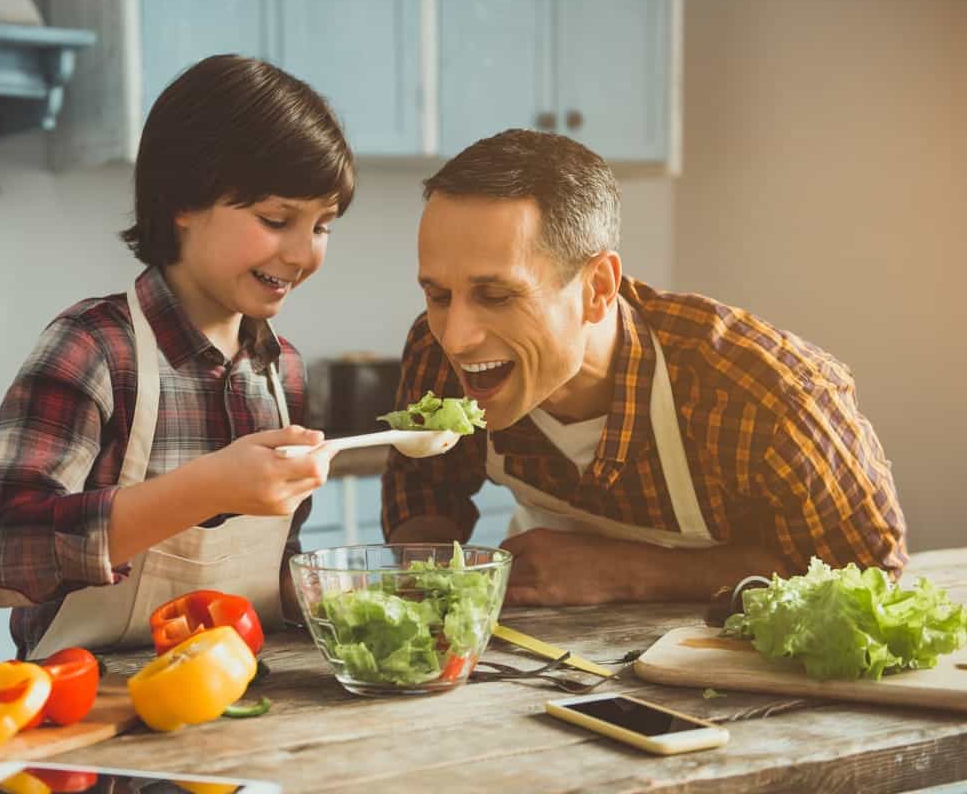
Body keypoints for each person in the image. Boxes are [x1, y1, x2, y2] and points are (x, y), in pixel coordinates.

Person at [382, 129, 906, 606]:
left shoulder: (772, 397)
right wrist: (425, 581)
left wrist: (631, 572)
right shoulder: (435, 354)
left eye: (495, 295)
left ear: (597, 289)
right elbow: (424, 489)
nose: (455, 336)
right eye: (438, 295)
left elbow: (868, 582)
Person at [0, 54, 355, 659]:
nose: (304, 253)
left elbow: (266, 574)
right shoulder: (93, 347)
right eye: (277, 219)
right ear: (183, 203)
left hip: (246, 708)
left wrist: (335, 599)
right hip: (86, 710)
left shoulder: (282, 372)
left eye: (323, 226)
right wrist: (203, 489)